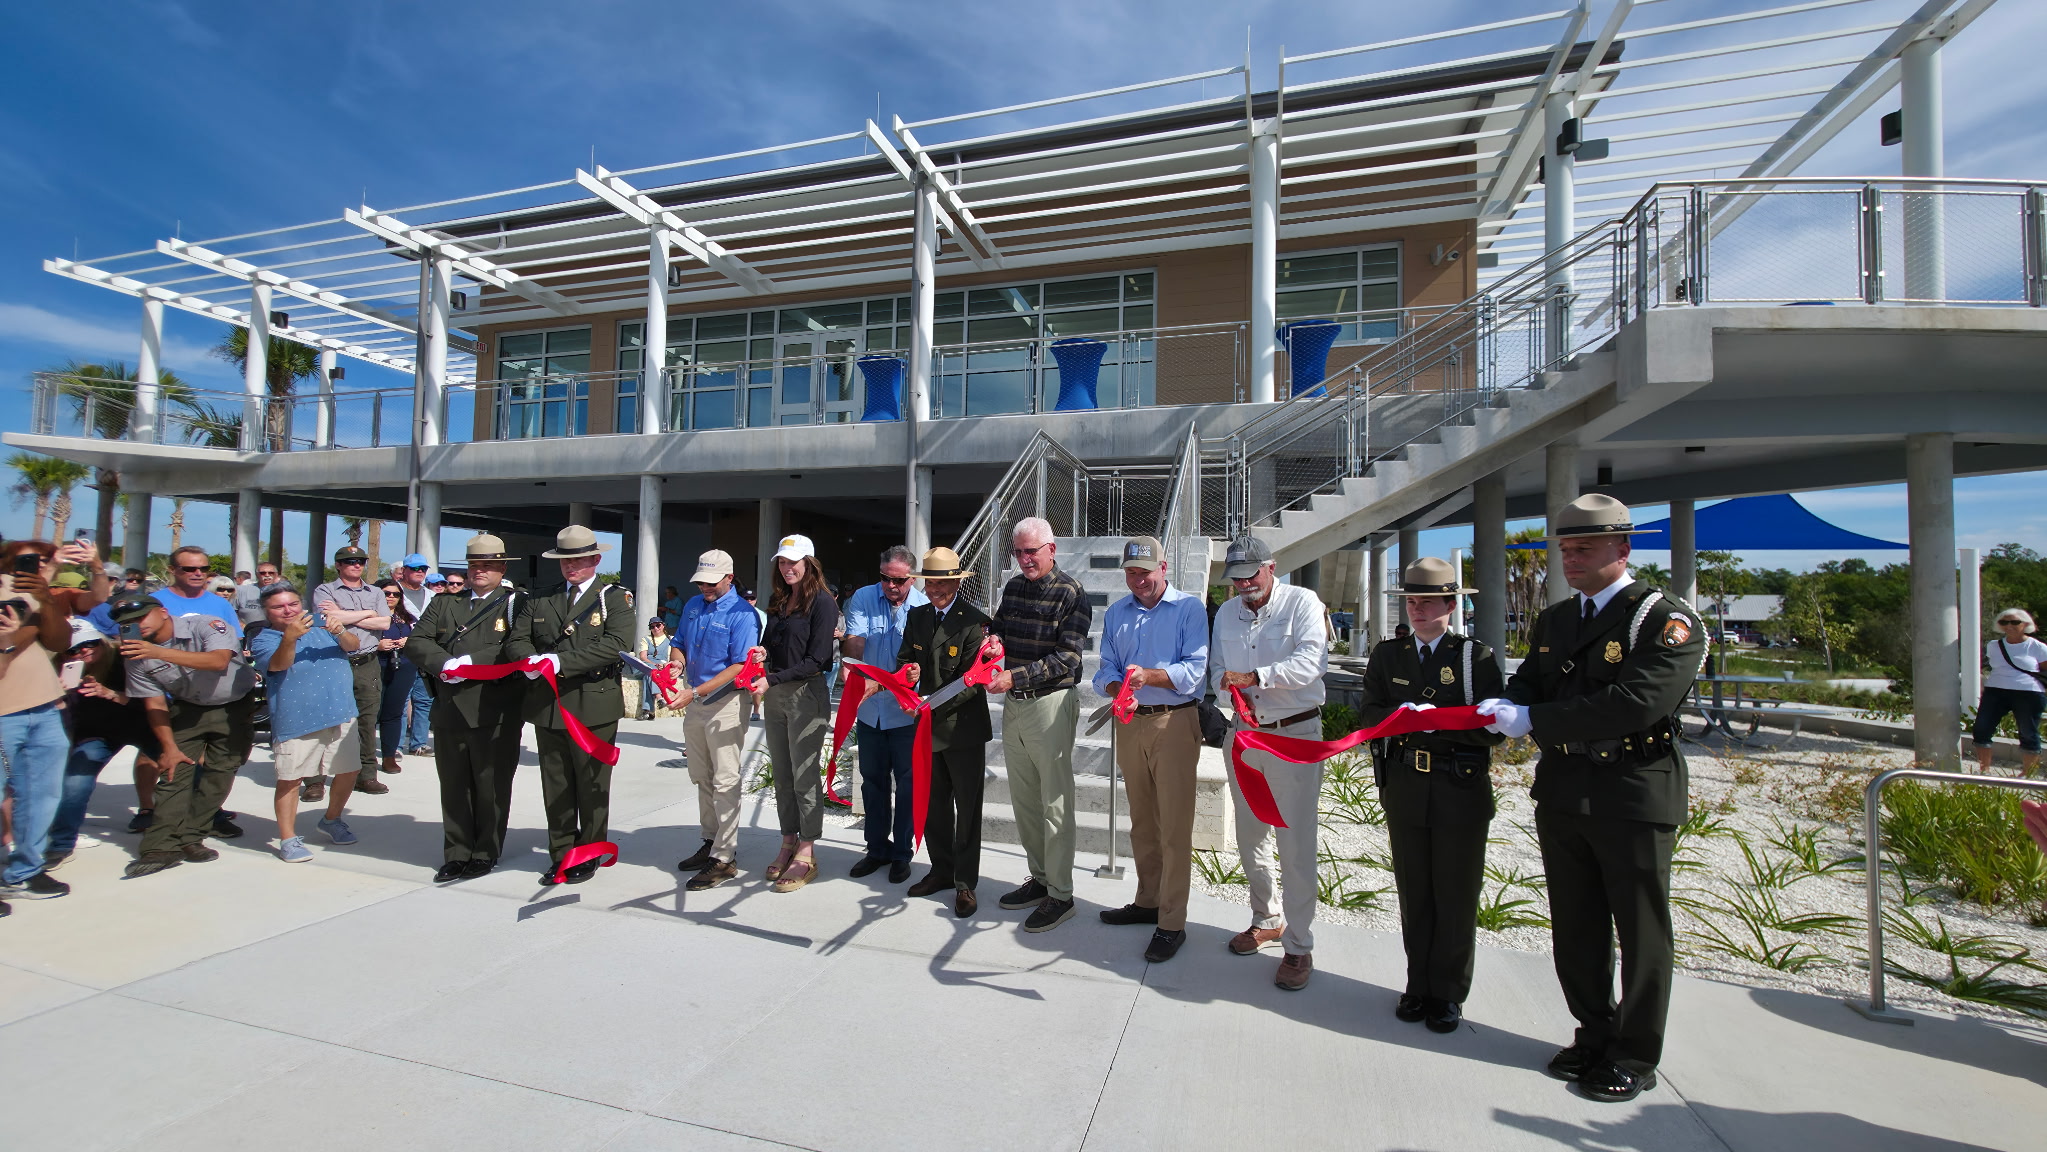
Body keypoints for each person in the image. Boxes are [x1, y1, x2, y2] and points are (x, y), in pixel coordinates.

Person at [1480, 492, 1705, 1104]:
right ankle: (1594, 1031)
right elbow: (1529, 684)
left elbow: (1637, 704)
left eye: (1585, 548)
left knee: (1640, 929)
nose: (1572, 559)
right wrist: (1498, 710)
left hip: (1633, 790)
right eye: (1566, 549)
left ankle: (1635, 1052)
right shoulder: (1558, 620)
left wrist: (1534, 720)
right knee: (1576, 926)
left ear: (1623, 548)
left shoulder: (1662, 619)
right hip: (1565, 790)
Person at [1359, 557, 1505, 1034]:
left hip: (1457, 789)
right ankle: (1418, 984)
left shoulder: (1474, 659)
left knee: (1456, 896)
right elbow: (1369, 715)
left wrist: (1433, 720)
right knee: (1415, 894)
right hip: (1406, 787)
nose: (1417, 610)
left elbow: (1492, 730)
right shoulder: (1388, 655)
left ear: (1450, 604)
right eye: (1411, 602)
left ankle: (1448, 993)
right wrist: (1400, 716)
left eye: (1427, 602)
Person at [1211, 535, 1329, 989]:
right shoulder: (1225, 613)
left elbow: (1310, 663)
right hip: (1244, 738)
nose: (1243, 584)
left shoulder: (1303, 603)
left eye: (1251, 574)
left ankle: (1299, 946)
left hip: (1295, 736)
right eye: (1236, 577)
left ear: (1272, 568)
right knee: (1250, 835)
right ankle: (1266, 918)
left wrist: (1256, 678)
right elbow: (1217, 673)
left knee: (1295, 844)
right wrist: (1231, 691)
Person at [1092, 535, 1208, 963]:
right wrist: (1111, 684)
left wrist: (1149, 677)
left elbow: (1195, 672)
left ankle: (1172, 922)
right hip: (1130, 722)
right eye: (1130, 573)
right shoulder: (1117, 612)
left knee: (1174, 827)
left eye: (1144, 572)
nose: (1137, 580)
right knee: (1142, 820)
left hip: (1174, 722)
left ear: (1164, 569)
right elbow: (1104, 665)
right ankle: (1148, 901)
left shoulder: (1189, 609)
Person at [503, 525, 634, 885]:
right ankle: (560, 853)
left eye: (578, 559)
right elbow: (518, 639)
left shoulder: (614, 598)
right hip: (549, 704)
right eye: (565, 560)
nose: (571, 566)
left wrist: (561, 662)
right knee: (556, 784)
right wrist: (530, 661)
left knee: (592, 784)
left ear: (595, 559)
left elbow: (617, 643)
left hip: (594, 704)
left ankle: (589, 850)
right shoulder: (541, 599)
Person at [985, 516, 1093, 932]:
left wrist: (1015, 675)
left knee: (1055, 803)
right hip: (1014, 705)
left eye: (1032, 551)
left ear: (1052, 549)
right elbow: (999, 630)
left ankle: (1062, 895)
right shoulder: (1013, 588)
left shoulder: (1072, 593)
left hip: (1051, 703)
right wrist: (993, 641)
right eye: (1019, 552)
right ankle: (1040, 878)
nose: (1025, 559)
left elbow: (1069, 657)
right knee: (1025, 800)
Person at [405, 534, 527, 884]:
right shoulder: (446, 604)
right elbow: (418, 641)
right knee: (454, 784)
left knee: (491, 784)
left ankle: (485, 851)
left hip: (496, 707)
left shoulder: (516, 604)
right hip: (450, 706)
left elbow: (517, 647)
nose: (480, 571)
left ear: (502, 568)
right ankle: (457, 852)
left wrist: (470, 662)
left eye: (488, 565)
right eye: (475, 565)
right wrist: (445, 663)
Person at [113, 589, 260, 878]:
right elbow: (153, 702)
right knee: (172, 774)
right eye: (128, 621)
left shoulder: (204, 624)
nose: (138, 624)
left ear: (163, 611)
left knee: (221, 774)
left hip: (234, 705)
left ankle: (191, 836)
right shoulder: (136, 652)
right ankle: (160, 847)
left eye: (142, 616)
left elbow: (218, 661)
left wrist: (158, 652)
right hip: (188, 707)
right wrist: (168, 746)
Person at [895, 547, 993, 918]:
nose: (936, 589)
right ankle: (941, 870)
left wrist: (925, 702)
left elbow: (972, 681)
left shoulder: (974, 623)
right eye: (931, 582)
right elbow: (906, 658)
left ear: (956, 583)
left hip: (961, 730)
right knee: (934, 805)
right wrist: (908, 675)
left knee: (967, 809)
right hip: (925, 728)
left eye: (943, 582)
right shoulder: (917, 616)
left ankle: (965, 883)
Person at [746, 534, 838, 893]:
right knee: (782, 775)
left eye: (793, 561)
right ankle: (787, 840)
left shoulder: (823, 603)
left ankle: (806, 849)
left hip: (805, 694)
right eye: (782, 562)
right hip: (776, 692)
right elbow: (772, 644)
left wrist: (772, 679)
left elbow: (818, 660)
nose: (786, 567)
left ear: (809, 563)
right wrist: (762, 654)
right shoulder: (780, 600)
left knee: (803, 776)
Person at [248, 585, 362, 861]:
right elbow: (277, 666)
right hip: (297, 721)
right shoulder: (264, 639)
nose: (288, 610)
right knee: (290, 779)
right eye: (279, 607)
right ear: (267, 612)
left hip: (342, 713)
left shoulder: (322, 625)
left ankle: (332, 820)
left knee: (348, 771)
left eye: (293, 604)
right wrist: (289, 638)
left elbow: (354, 647)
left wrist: (340, 631)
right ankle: (288, 839)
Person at [671, 549, 761, 891]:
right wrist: (677, 664)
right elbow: (678, 643)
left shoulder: (743, 614)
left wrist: (695, 693)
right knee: (701, 775)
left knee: (725, 779)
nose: (705, 587)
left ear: (729, 577)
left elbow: (740, 666)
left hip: (725, 703)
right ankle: (709, 841)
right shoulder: (694, 606)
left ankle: (724, 857)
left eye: (711, 582)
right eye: (701, 582)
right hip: (694, 700)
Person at [842, 544, 929, 883]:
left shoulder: (923, 608)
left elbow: (921, 662)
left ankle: (901, 853)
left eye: (899, 581)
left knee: (906, 785)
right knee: (873, 782)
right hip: (870, 710)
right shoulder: (864, 597)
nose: (892, 586)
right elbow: (856, 643)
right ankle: (876, 848)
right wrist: (850, 653)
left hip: (905, 713)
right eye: (886, 579)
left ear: (912, 578)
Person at [0, 541, 78, 903]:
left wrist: (46, 601)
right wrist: (16, 638)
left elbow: (60, 641)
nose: (39, 565)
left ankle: (25, 870)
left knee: (41, 795)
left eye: (44, 560)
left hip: (43, 707)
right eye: (29, 560)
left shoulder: (29, 593)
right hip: (4, 713)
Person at [45, 616, 156, 871]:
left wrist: (111, 694)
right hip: (96, 735)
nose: (82, 652)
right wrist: (58, 696)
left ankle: (202, 818)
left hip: (141, 726)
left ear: (101, 641)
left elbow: (154, 701)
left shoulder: (124, 658)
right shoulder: (60, 671)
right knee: (75, 783)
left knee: (184, 769)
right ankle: (61, 845)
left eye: (89, 644)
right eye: (72, 649)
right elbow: (66, 721)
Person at [314, 545, 391, 796]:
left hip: (367, 662)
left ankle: (366, 775)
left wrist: (345, 615)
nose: (356, 565)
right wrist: (368, 613)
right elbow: (326, 619)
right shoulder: (325, 590)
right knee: (325, 721)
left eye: (360, 561)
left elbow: (385, 622)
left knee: (367, 722)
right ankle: (315, 779)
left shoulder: (376, 591)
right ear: (338, 565)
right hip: (334, 661)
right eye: (349, 561)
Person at [1975, 608, 2046, 776]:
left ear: (2026, 624)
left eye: (2015, 622)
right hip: (1996, 691)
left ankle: (2028, 773)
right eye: (2004, 622)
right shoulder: (1993, 646)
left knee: (2028, 732)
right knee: (1981, 729)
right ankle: (1983, 770)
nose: (2009, 626)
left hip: (2028, 692)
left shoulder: (2036, 646)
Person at [373, 580, 421, 777]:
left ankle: (389, 756)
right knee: (370, 714)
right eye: (386, 593)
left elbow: (422, 638)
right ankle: (364, 756)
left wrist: (408, 641)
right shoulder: (369, 615)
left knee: (393, 713)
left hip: (402, 666)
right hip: (375, 666)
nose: (391, 597)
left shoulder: (407, 617)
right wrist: (376, 644)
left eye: (395, 594)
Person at [393, 554, 438, 755]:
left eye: (423, 568)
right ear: (404, 571)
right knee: (401, 700)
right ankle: (395, 745)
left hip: (424, 654)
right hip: (400, 653)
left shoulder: (433, 596)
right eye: (415, 568)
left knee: (424, 699)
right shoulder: (393, 592)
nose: (420, 572)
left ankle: (418, 743)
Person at [152, 545, 237, 627]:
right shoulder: (154, 602)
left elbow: (235, 640)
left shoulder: (222, 604)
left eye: (204, 569)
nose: (198, 573)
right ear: (172, 570)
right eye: (190, 569)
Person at [634, 617, 673, 721]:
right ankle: (659, 697)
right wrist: (654, 664)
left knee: (648, 676)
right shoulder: (645, 639)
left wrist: (664, 665)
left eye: (658, 625)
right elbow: (643, 657)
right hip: (648, 664)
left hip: (662, 667)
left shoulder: (670, 640)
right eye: (652, 626)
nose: (655, 628)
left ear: (663, 625)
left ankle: (647, 711)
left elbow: (671, 658)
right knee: (651, 671)